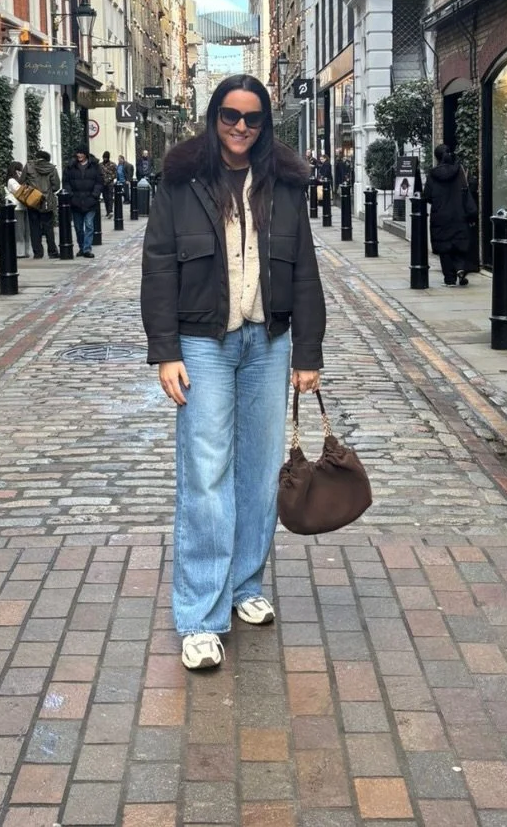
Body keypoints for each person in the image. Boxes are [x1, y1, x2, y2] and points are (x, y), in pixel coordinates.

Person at [141, 75, 326, 673]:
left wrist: (308, 352)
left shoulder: (286, 185)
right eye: (229, 116)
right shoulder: (181, 180)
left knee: (258, 472)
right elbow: (159, 267)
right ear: (212, 117)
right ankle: (200, 615)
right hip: (203, 344)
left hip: (268, 342)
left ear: (265, 123)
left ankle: (245, 584)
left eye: (251, 118)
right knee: (205, 472)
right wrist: (165, 349)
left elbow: (303, 272)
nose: (240, 127)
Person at [426, 143, 474, 286]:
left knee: (444, 247)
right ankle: (460, 268)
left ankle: (449, 279)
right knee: (459, 243)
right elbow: (466, 191)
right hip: (459, 213)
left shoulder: (433, 174)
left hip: (440, 216)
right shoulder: (458, 171)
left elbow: (427, 195)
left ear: (437, 157)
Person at [21, 150, 60, 260]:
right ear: (47, 159)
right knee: (48, 227)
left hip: (32, 201)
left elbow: (21, 182)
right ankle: (52, 252)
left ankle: (38, 253)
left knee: (34, 227)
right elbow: (56, 186)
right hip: (47, 201)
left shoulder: (28, 166)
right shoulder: (51, 168)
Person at [65, 147, 104, 257]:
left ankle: (87, 249)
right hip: (76, 201)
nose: (79, 155)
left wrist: (95, 195)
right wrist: (71, 196)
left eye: (81, 153)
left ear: (86, 154)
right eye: (78, 153)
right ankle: (82, 247)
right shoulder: (70, 167)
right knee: (78, 227)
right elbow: (66, 182)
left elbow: (99, 182)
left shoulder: (95, 166)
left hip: (90, 201)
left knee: (89, 225)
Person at [99, 151, 117, 218]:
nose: (105, 159)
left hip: (110, 184)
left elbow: (115, 174)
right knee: (105, 198)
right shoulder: (100, 165)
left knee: (110, 197)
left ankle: (110, 211)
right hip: (103, 184)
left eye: (106, 158)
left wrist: (109, 179)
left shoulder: (113, 164)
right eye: (104, 158)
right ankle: (107, 211)